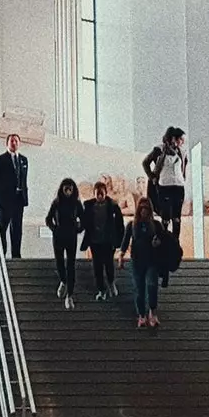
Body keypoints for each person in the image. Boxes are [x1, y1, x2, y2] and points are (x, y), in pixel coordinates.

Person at [121, 196, 167, 329]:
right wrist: (121, 255)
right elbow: (125, 241)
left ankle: (152, 312)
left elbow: (163, 240)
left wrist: (158, 243)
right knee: (139, 289)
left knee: (152, 286)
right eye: (141, 208)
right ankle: (141, 315)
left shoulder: (156, 225)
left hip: (152, 260)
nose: (144, 211)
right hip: (137, 261)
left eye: (146, 209)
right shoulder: (132, 225)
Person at [144, 127, 189, 241]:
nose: (178, 142)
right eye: (176, 139)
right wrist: (152, 177)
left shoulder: (181, 152)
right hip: (164, 186)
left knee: (176, 217)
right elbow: (145, 162)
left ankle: (175, 242)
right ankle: (164, 242)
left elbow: (184, 166)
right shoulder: (159, 149)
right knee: (165, 216)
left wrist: (183, 177)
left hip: (178, 186)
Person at [45, 177, 83, 310]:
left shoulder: (77, 204)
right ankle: (63, 280)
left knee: (71, 265)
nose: (68, 191)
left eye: (70, 188)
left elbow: (83, 219)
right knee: (59, 262)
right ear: (62, 189)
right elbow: (48, 219)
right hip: (59, 236)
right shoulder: (57, 202)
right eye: (66, 188)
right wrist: (54, 229)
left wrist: (78, 229)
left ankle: (70, 295)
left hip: (71, 236)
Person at [0, 133, 29, 259]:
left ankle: (16, 255)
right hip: (5, 201)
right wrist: (1, 196)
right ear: (7, 143)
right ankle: (1, 254)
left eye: (16, 141)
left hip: (18, 199)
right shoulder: (0, 160)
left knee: (17, 229)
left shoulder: (23, 160)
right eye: (12, 141)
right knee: (2, 228)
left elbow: (23, 179)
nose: (14, 143)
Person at [82, 180, 124, 300]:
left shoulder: (113, 206)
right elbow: (85, 221)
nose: (100, 196)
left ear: (106, 193)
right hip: (95, 241)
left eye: (102, 193)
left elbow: (119, 225)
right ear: (94, 193)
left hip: (108, 240)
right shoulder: (89, 205)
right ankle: (101, 289)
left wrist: (118, 241)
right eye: (97, 194)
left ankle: (111, 283)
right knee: (97, 266)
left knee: (109, 264)